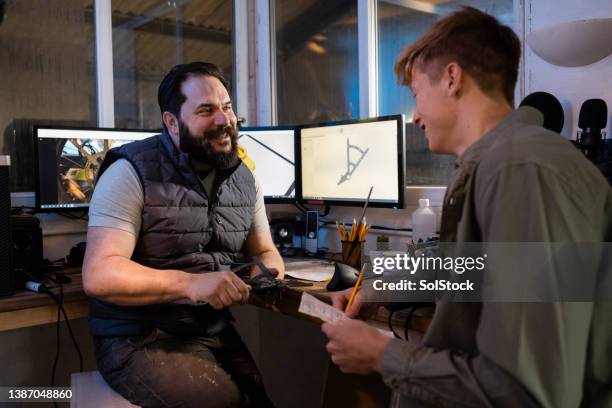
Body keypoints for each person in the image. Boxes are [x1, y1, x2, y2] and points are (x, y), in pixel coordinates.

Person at [321, 7, 612, 408]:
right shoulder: (497, 163)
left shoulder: (523, 172)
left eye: (416, 92)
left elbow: (525, 389)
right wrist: (384, 284)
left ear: (453, 79)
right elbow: (480, 267)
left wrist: (382, 355)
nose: (416, 115)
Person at [82, 62, 283, 408]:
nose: (224, 120)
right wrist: (191, 284)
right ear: (172, 122)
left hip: (208, 330)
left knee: (259, 401)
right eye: (206, 110)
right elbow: (99, 274)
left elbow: (266, 251)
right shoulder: (129, 172)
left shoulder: (245, 178)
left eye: (228, 107)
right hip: (138, 337)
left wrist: (262, 277)